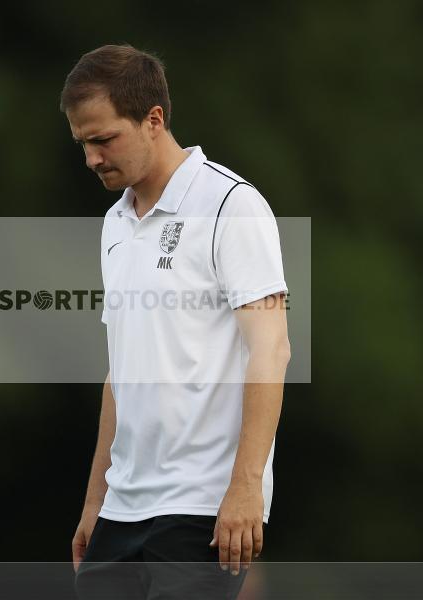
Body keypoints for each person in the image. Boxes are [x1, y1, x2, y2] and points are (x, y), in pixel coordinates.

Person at [61, 44, 290, 599]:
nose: (92, 157)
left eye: (103, 138)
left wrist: (244, 490)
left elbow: (271, 350)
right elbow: (122, 372)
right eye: (82, 144)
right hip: (122, 510)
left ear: (153, 120)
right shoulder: (114, 224)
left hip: (203, 508)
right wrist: (97, 501)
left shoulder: (231, 205)